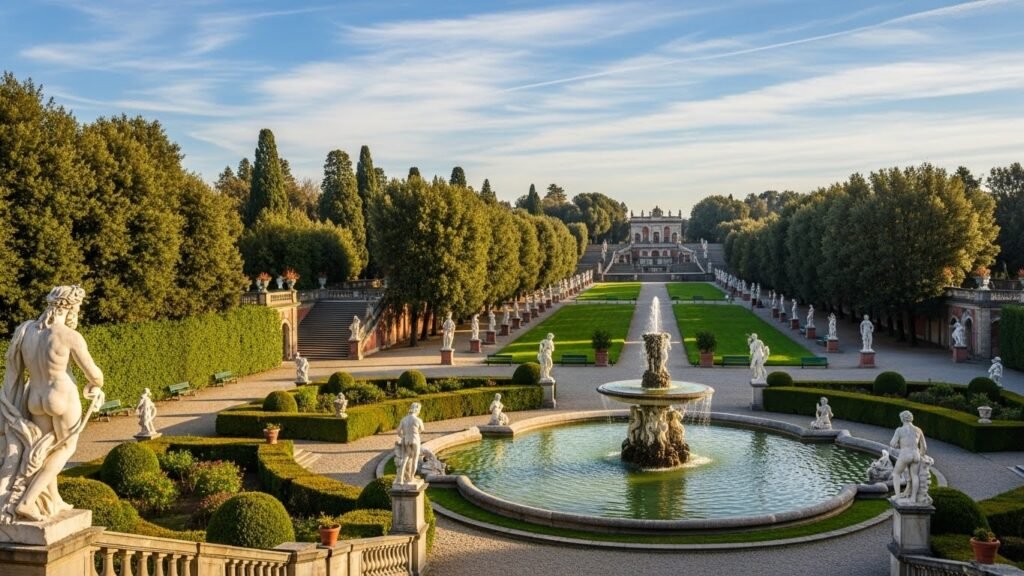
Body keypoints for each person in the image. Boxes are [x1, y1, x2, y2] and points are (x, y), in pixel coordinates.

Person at [0, 285, 105, 523]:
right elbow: (94, 374)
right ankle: (28, 501)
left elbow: (15, 369)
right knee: (65, 448)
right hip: (61, 394)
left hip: (34, 397)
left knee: (42, 449)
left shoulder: (26, 331)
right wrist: (95, 386)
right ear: (70, 308)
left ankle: (51, 500)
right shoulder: (69, 336)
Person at [890, 410, 927, 502]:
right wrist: (921, 455)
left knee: (896, 474)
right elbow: (924, 447)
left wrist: (898, 444)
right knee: (914, 476)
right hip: (916, 455)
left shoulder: (899, 430)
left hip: (905, 455)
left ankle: (898, 497)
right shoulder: (918, 430)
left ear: (902, 419)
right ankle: (913, 498)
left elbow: (892, 443)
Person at [394, 403, 424, 486]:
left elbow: (398, 431)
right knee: (415, 459)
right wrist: (416, 432)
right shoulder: (418, 420)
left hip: (406, 440)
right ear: (417, 410)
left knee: (406, 458)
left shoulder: (404, 419)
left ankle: (400, 478)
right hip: (415, 440)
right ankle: (411, 478)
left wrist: (403, 436)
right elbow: (422, 429)